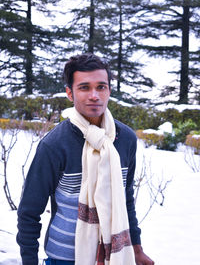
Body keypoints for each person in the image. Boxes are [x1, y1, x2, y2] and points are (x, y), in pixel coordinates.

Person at [17, 53, 154, 265]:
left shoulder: (125, 139)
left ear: (109, 90)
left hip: (115, 255)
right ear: (70, 93)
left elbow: (126, 199)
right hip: (64, 258)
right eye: (84, 87)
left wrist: (136, 248)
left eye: (101, 87)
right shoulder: (54, 145)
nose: (94, 95)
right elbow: (29, 212)